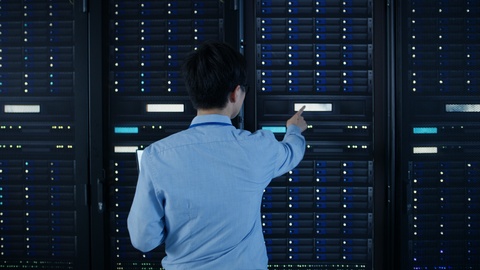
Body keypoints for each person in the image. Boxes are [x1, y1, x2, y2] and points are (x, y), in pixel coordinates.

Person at [127, 40, 308, 269]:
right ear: (235, 94)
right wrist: (294, 129)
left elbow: (143, 239)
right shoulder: (259, 147)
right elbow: (293, 152)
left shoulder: (157, 156)